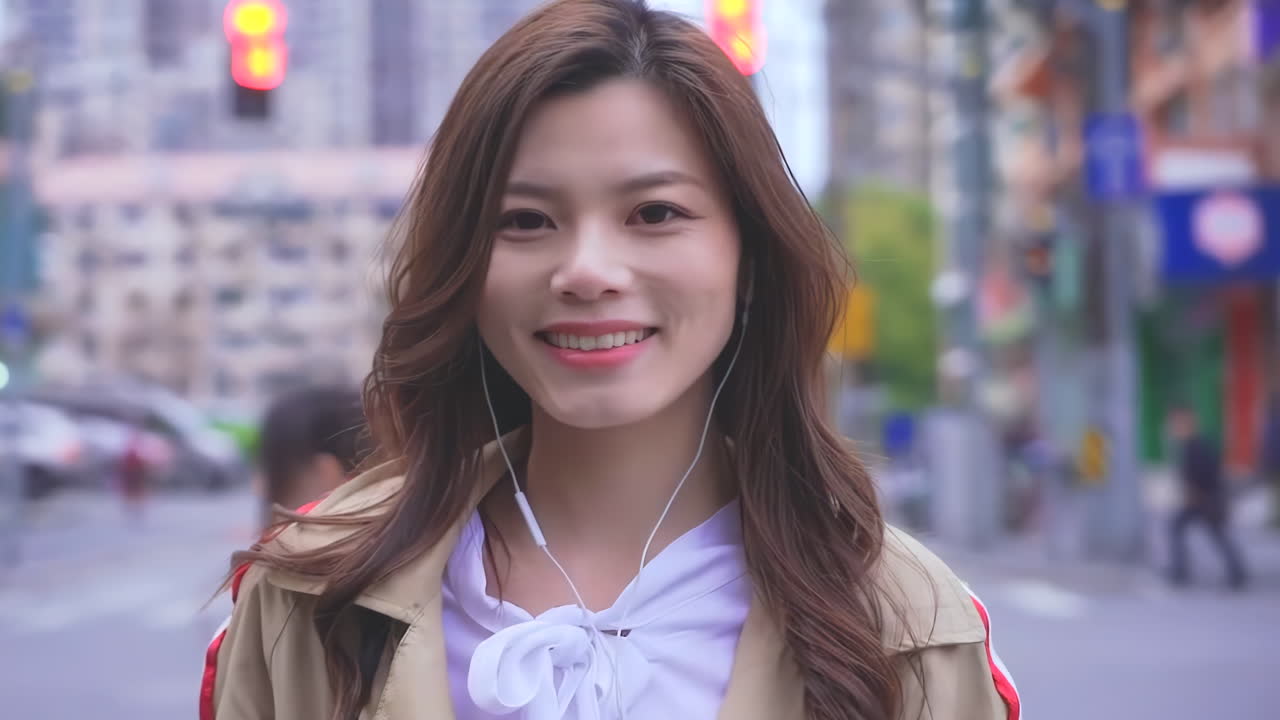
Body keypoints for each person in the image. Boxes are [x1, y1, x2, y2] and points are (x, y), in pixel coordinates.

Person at [201, 3, 1021, 719]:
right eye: (524, 221)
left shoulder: (907, 626)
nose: (587, 270)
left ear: (750, 259)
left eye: (654, 212)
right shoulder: (307, 601)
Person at [254, 385, 369, 530]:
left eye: (273, 470)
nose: (258, 488)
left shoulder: (298, 547)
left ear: (326, 473)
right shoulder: (390, 541)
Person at [1167, 406, 1248, 590]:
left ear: (1187, 423)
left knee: (1215, 534)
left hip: (1206, 500)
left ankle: (1237, 573)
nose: (1173, 428)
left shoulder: (1198, 445)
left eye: (1176, 424)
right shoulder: (1189, 445)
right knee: (1178, 527)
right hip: (1200, 500)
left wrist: (1195, 491)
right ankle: (1181, 570)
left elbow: (1209, 473)